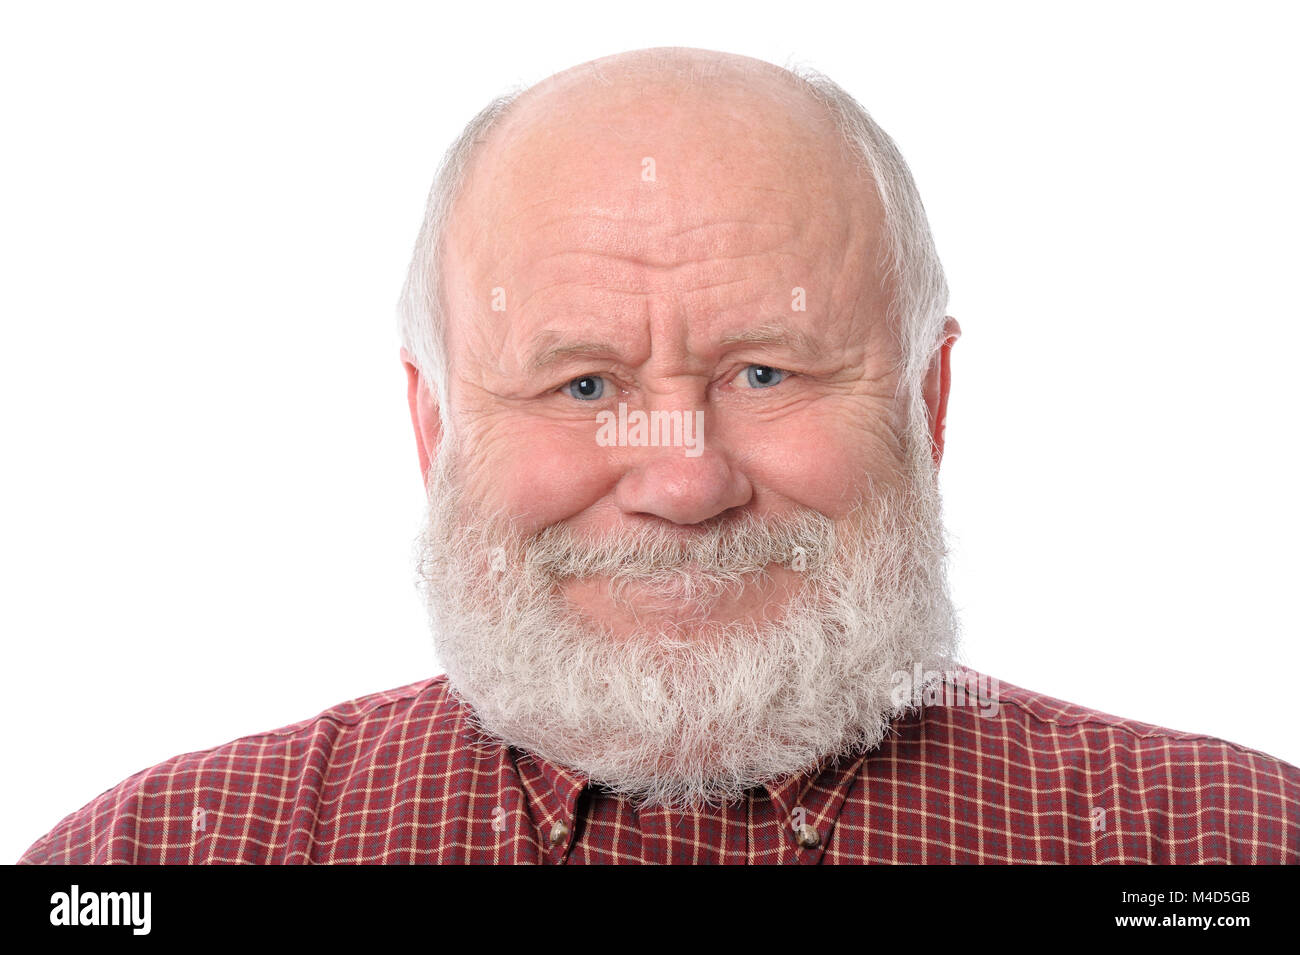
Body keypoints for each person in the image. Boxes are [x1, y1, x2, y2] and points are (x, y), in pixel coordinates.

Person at [20, 47, 1299, 865]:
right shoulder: (153, 861)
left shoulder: (1227, 851)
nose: (684, 482)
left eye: (765, 373)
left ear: (929, 398)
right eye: (583, 384)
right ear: (435, 427)